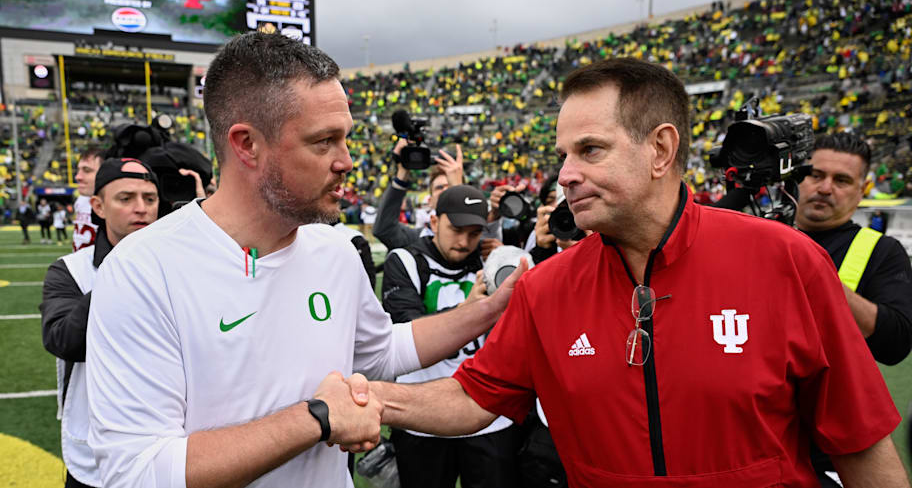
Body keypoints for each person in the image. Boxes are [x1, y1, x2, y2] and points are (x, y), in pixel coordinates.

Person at [366, 58, 909, 487]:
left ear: (661, 149)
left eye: (590, 150)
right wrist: (369, 399)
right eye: (563, 155)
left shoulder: (786, 259)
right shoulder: (545, 287)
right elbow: (472, 397)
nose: (566, 175)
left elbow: (859, 441)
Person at [85, 32, 523, 488]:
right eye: (323, 141)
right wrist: (315, 418)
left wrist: (486, 311)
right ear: (246, 145)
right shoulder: (143, 269)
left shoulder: (334, 249)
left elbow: (381, 352)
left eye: (345, 138)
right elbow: (135, 471)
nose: (346, 161)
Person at [381, 184, 520, 488]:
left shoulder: (492, 262)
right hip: (421, 419)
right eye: (456, 229)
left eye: (474, 233)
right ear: (433, 222)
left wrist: (505, 264)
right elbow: (407, 327)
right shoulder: (405, 260)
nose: (465, 241)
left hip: (489, 418)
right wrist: (466, 310)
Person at [794, 132, 912, 486]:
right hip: (754, 434)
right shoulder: (756, 234)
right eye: (816, 175)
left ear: (862, 190)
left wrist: (818, 276)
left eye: (842, 180)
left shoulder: (882, 251)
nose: (826, 188)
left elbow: (896, 342)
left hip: (830, 451)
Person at [40, 158, 161, 488]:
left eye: (150, 199)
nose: (141, 209)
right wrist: (122, 268)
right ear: (98, 206)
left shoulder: (178, 263)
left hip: (170, 441)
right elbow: (63, 340)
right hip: (95, 451)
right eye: (126, 199)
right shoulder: (71, 270)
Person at [72, 148, 103, 252]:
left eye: (87, 170)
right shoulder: (81, 200)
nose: (78, 177)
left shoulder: (116, 206)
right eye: (78, 170)